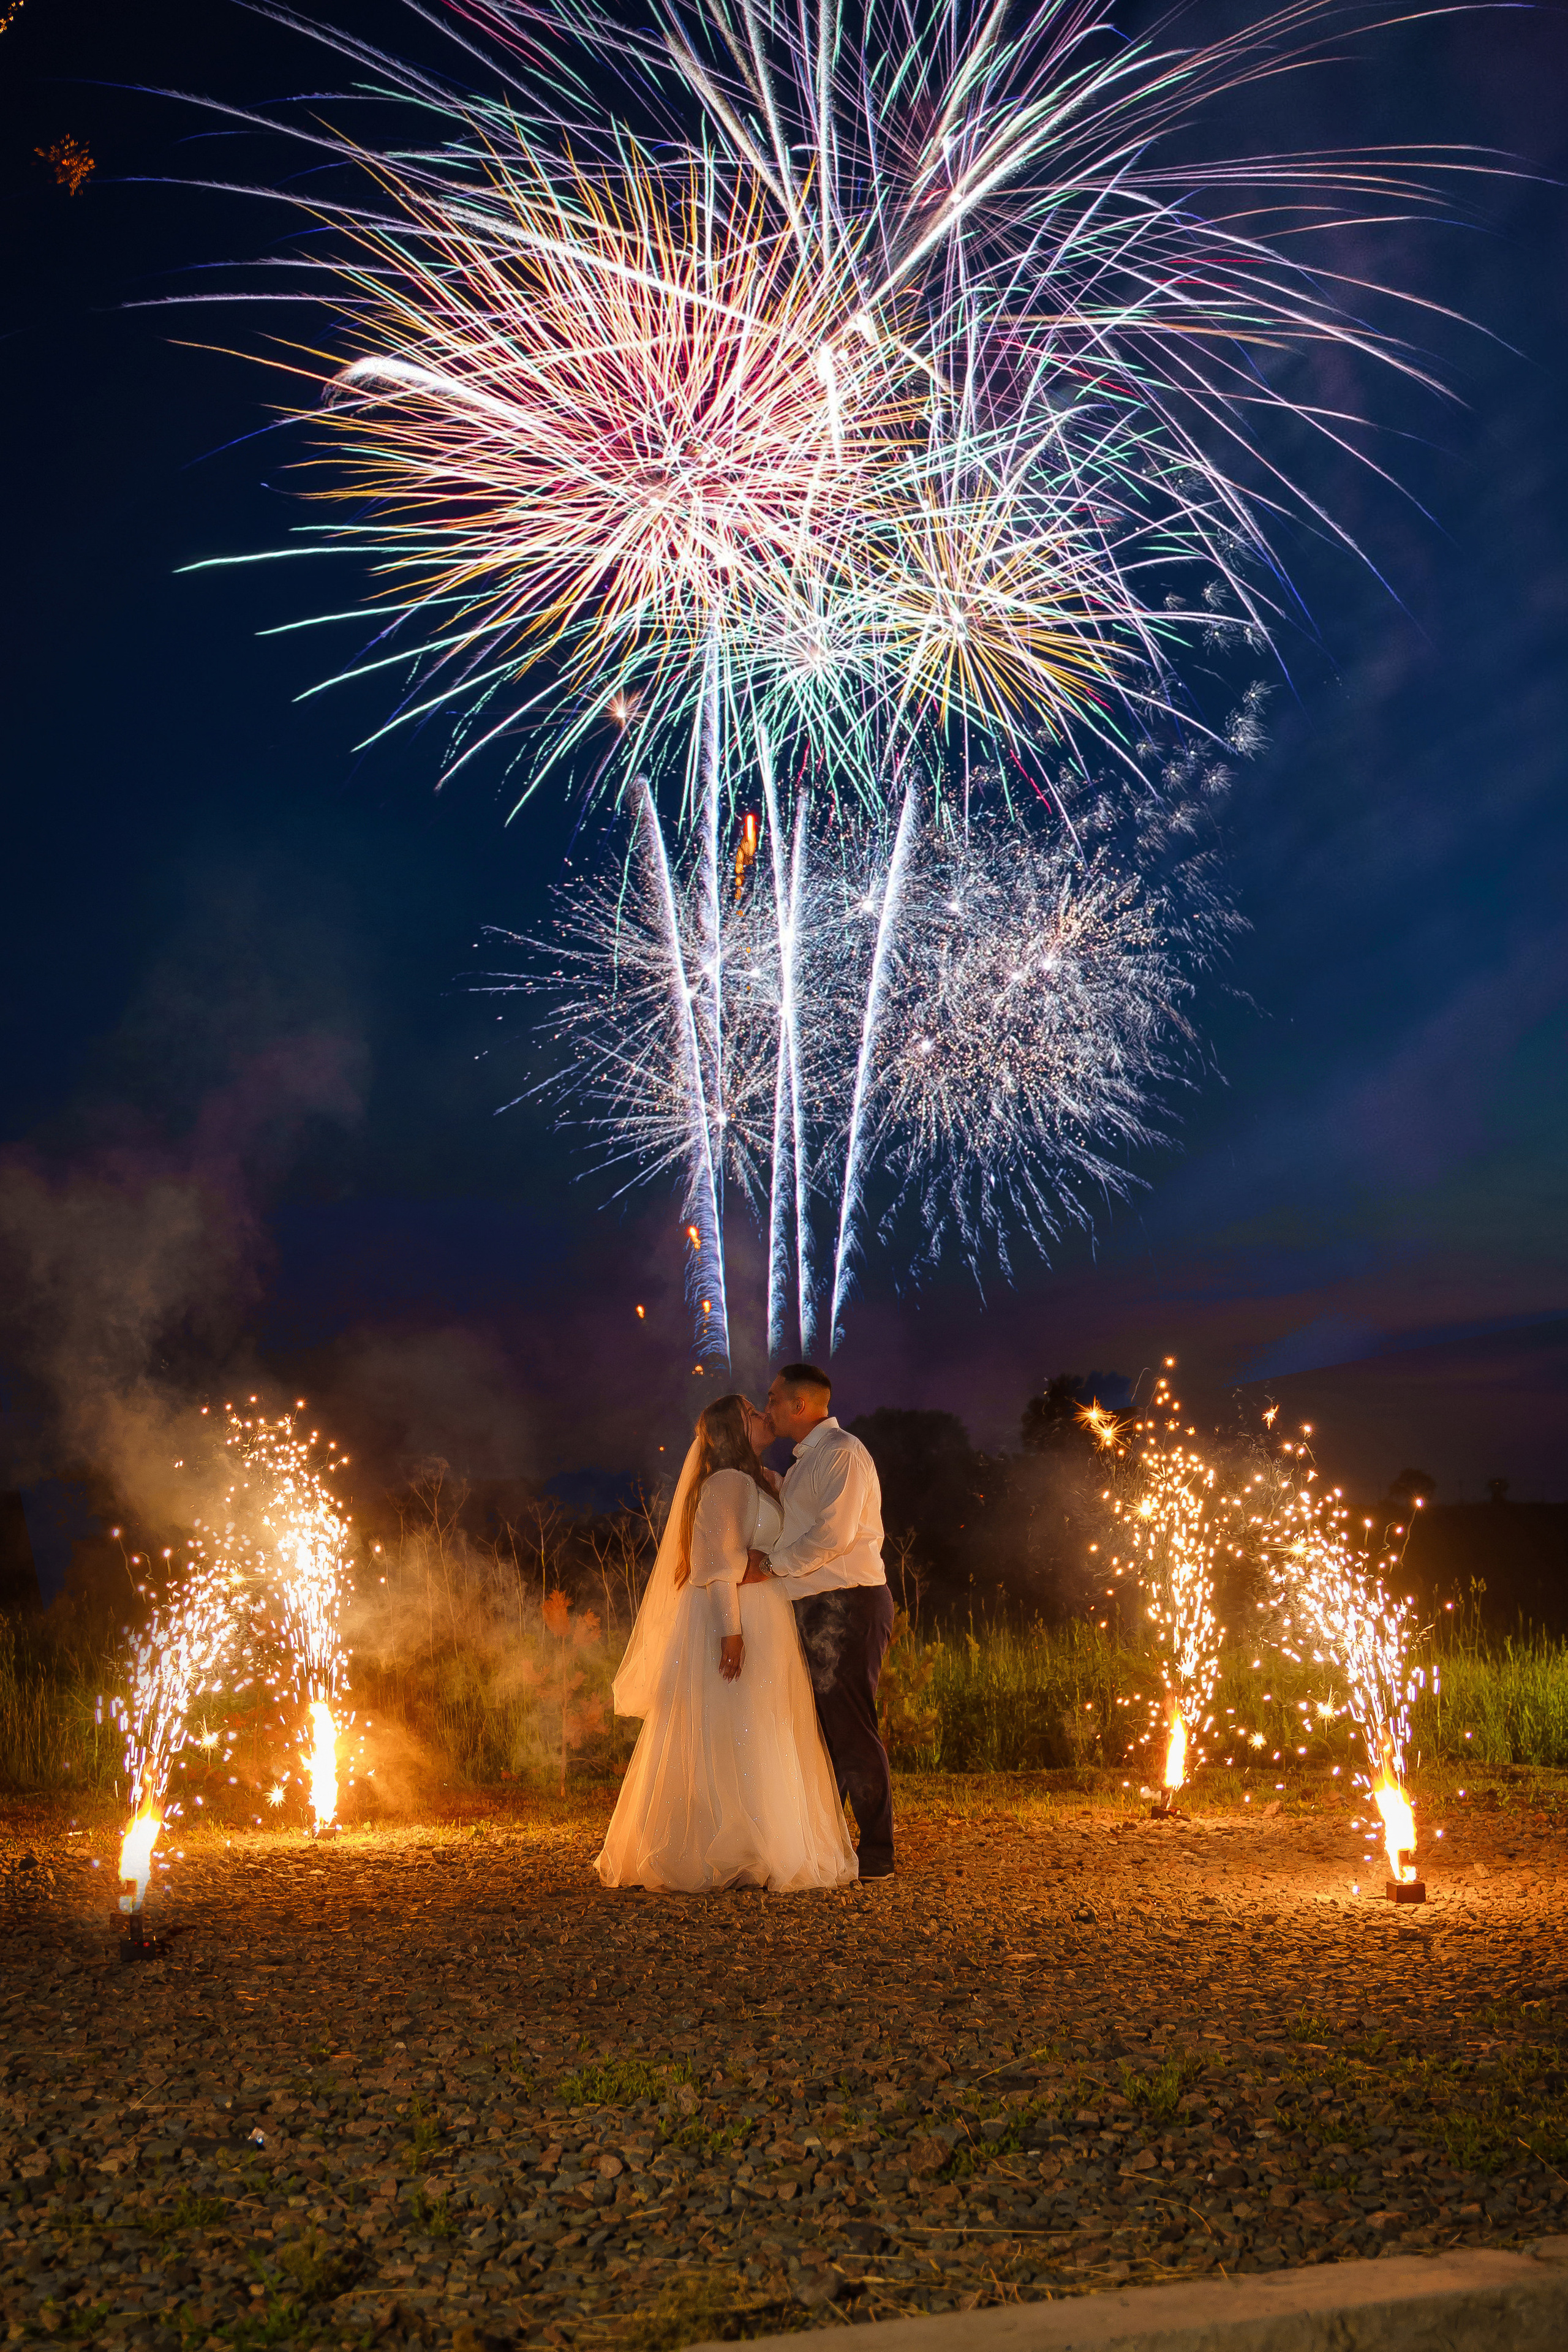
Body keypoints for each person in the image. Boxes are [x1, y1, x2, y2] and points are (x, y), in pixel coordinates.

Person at [595, 1392, 858, 1894]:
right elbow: (717, 1566)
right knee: (735, 1719)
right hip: (737, 1619)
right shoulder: (726, 1482)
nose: (763, 1416)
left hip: (768, 1615)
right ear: (735, 1431)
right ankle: (727, 1846)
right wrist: (730, 1634)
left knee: (761, 1721)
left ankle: (760, 1842)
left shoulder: (761, 1481)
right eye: (751, 1414)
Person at [746, 1363, 896, 1880]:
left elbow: (832, 1536)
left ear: (799, 1406)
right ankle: (831, 1846)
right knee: (821, 1730)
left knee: (850, 1727)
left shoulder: (843, 1454)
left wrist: (769, 1568)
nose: (766, 1407)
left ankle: (878, 1852)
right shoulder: (810, 1464)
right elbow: (804, 1523)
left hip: (848, 1603)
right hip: (817, 1605)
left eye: (772, 1398)